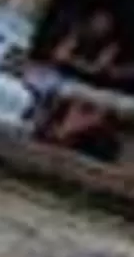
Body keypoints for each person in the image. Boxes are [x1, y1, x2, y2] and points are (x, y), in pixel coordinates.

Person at [34, 9, 121, 152]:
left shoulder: (110, 45)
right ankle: (44, 126)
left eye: (106, 23)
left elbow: (97, 69)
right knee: (51, 90)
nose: (101, 25)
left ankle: (61, 133)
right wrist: (80, 63)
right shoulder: (78, 33)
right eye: (99, 21)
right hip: (61, 75)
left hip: (87, 83)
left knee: (81, 101)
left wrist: (74, 61)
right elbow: (59, 55)